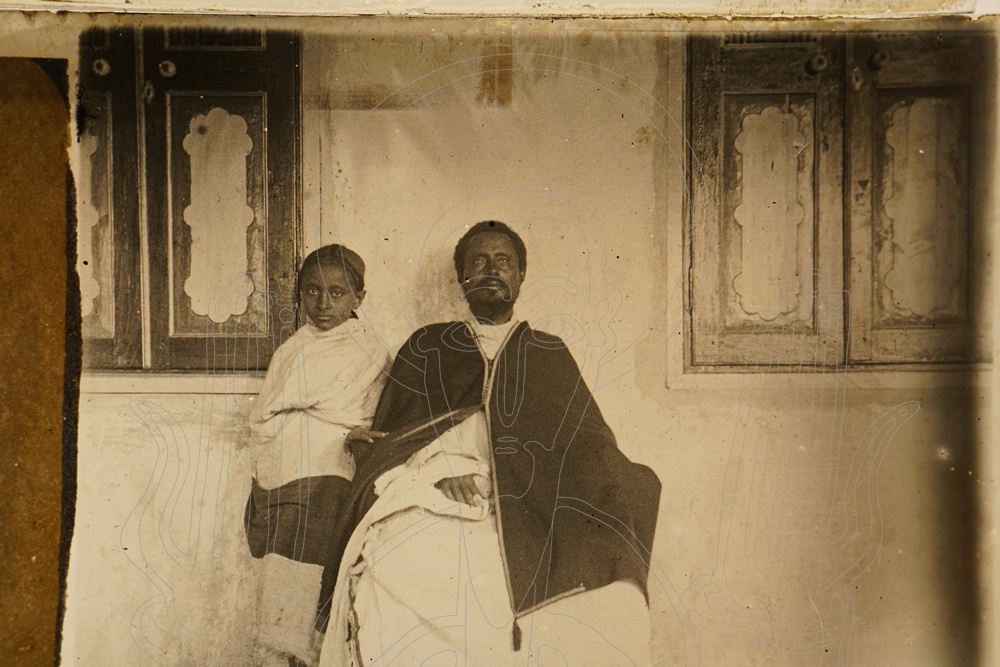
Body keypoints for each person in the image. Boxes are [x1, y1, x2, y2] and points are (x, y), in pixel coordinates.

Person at [317, 221, 661, 666]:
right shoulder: (427, 345)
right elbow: (394, 439)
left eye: (504, 261)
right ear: (462, 276)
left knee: (606, 583)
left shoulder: (548, 351)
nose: (492, 270)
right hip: (435, 491)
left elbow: (588, 441)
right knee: (401, 560)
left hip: (534, 501)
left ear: (521, 274)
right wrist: (442, 471)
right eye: (478, 261)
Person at [244, 244, 392, 667]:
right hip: (282, 469)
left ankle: (306, 650)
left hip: (331, 469)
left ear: (359, 298)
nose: (323, 303)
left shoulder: (369, 350)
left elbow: (361, 416)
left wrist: (338, 432)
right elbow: (265, 415)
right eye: (312, 291)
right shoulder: (292, 349)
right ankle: (280, 651)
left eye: (337, 293)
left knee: (316, 560)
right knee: (276, 566)